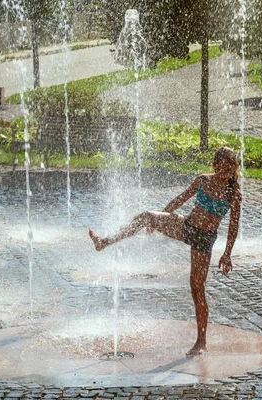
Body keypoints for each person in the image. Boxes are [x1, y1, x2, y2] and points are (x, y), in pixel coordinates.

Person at [89, 146, 242, 356]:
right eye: (221, 169)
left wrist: (227, 253)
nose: (225, 175)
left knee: (197, 288)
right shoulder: (203, 180)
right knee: (146, 217)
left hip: (203, 239)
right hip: (187, 226)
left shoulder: (234, 193)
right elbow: (180, 199)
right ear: (214, 166)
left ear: (235, 167)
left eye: (229, 170)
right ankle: (104, 242)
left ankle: (201, 342)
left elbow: (234, 226)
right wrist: (163, 216)